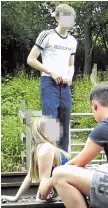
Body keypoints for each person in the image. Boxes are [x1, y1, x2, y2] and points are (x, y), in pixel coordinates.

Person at [27, 4, 78, 152]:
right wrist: (52, 73)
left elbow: (71, 65)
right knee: (51, 126)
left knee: (64, 126)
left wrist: (70, 76)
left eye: (71, 19)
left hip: (65, 86)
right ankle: (48, 164)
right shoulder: (47, 35)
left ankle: (62, 165)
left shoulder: (72, 41)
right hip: (49, 84)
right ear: (57, 18)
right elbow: (31, 59)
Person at [1, 117, 70, 202]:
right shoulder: (47, 148)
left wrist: (16, 198)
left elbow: (30, 176)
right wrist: (40, 197)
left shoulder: (38, 148)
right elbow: (42, 179)